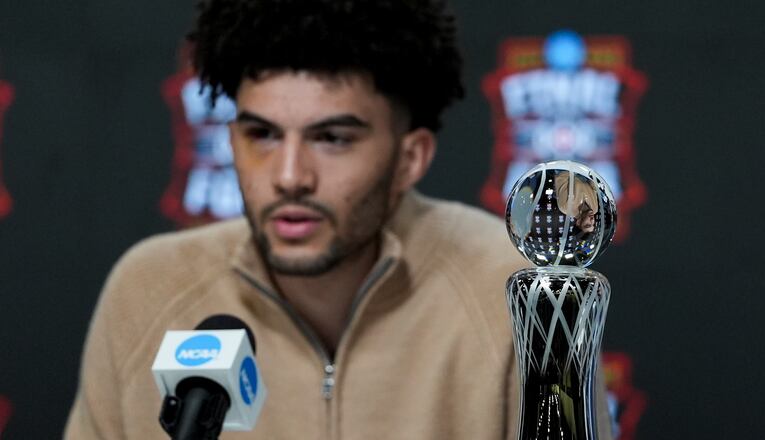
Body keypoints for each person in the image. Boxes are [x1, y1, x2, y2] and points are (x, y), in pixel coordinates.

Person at [65, 1, 613, 438]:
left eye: (332, 139)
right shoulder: (149, 290)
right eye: (261, 134)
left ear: (410, 157)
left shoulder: (520, 293)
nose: (288, 176)